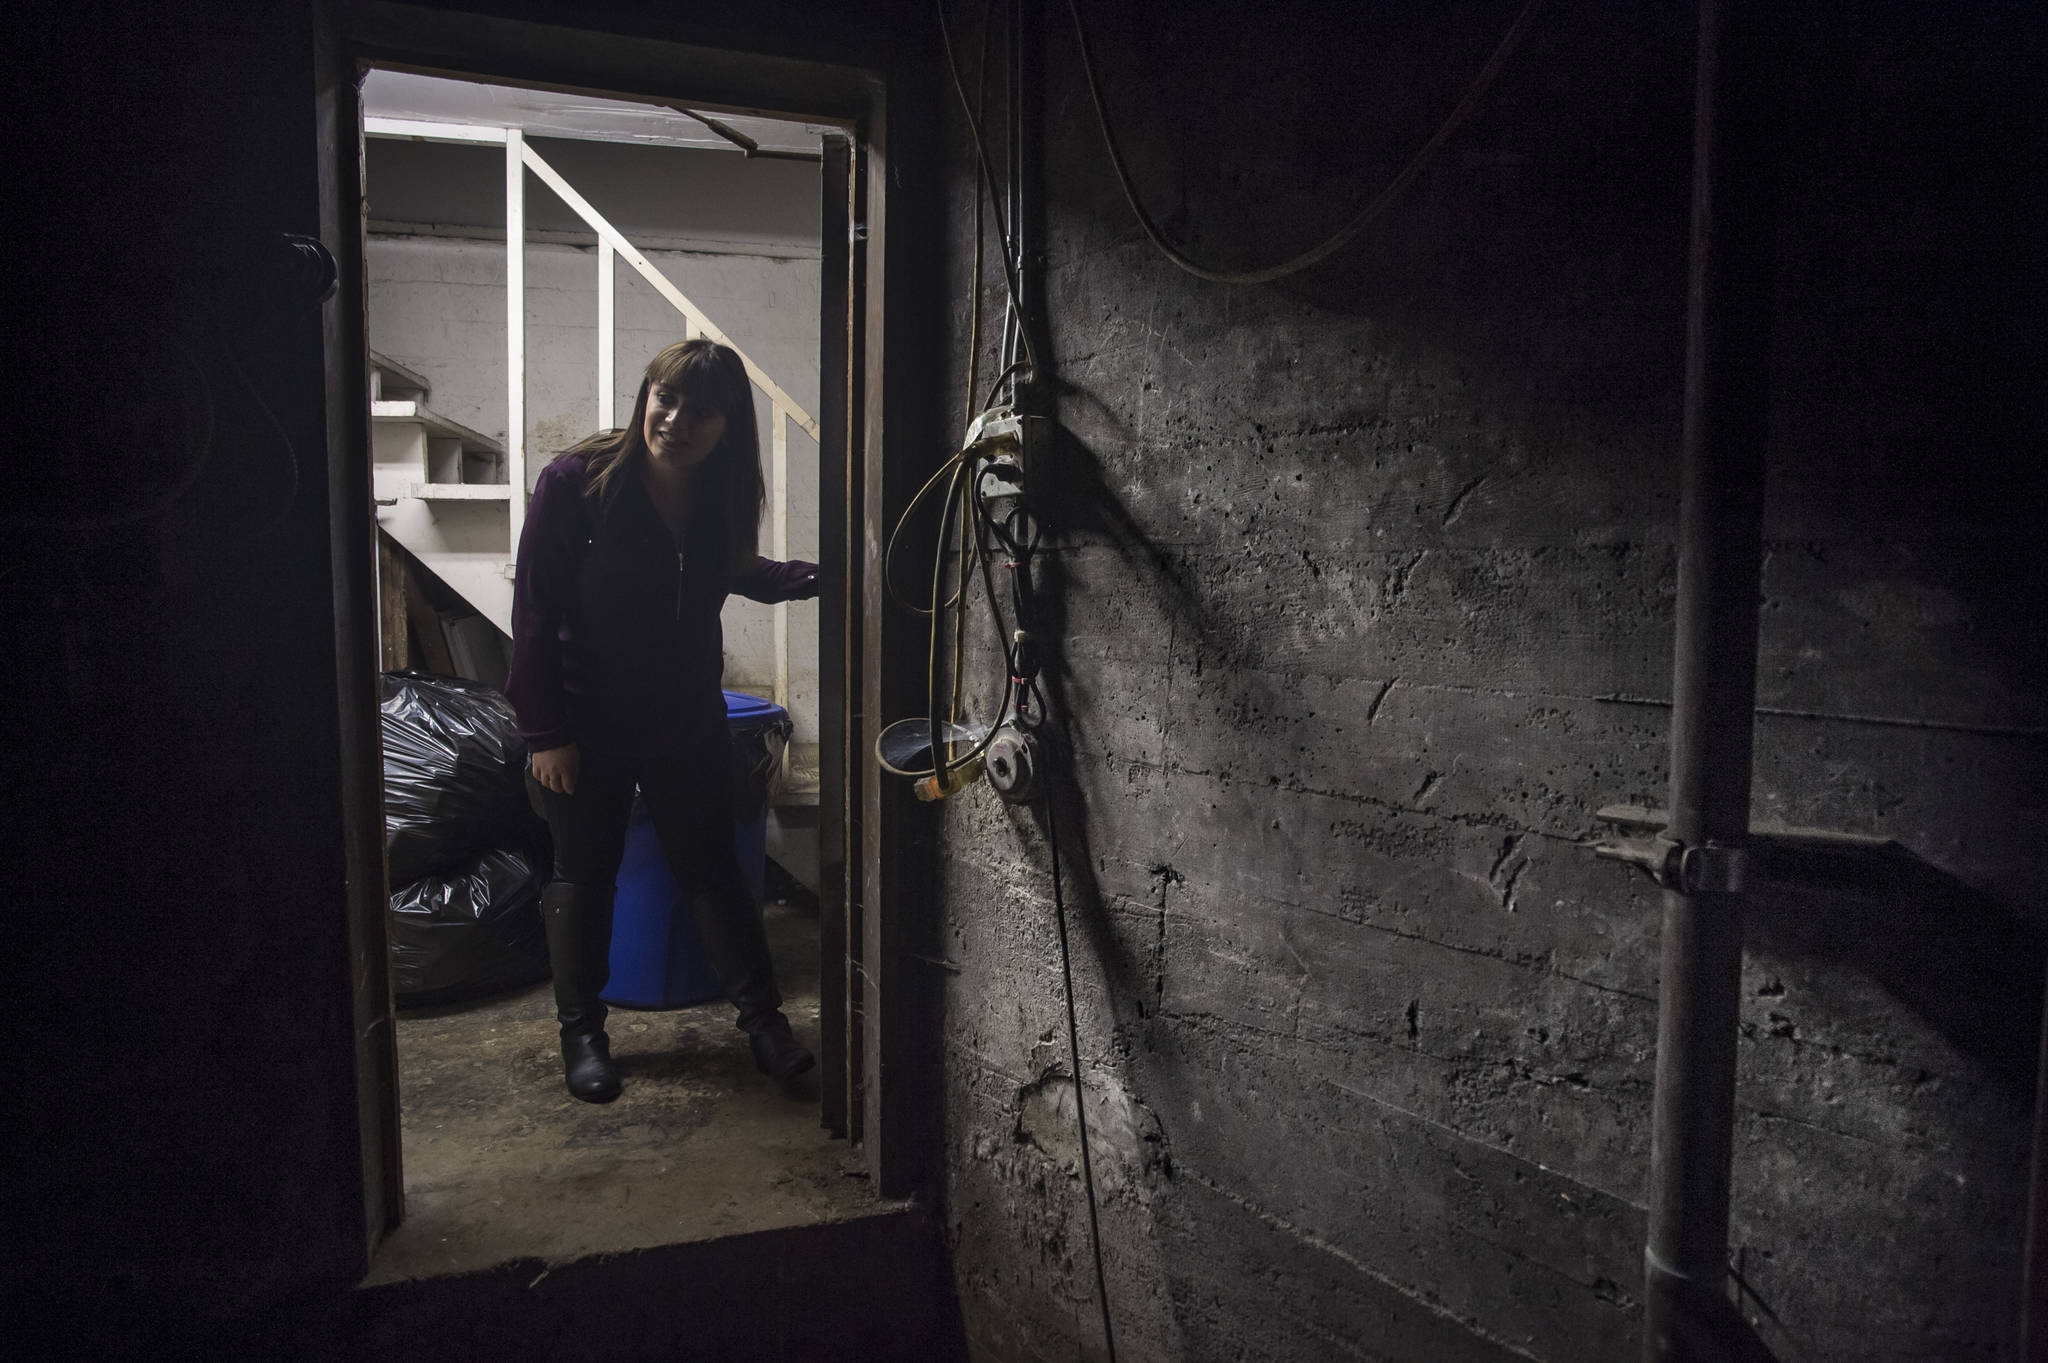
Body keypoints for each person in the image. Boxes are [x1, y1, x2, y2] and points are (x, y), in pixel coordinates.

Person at [505, 338, 820, 1104]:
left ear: (727, 426)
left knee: (714, 873)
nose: (674, 419)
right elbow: (535, 612)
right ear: (646, 395)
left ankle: (765, 1025)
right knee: (585, 876)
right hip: (587, 721)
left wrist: (818, 575)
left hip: (685, 719)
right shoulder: (578, 483)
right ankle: (583, 1035)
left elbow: (735, 570)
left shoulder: (718, 496)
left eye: (699, 410)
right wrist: (546, 733)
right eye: (665, 397)